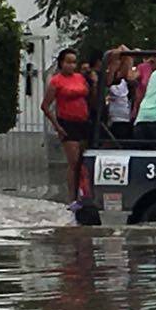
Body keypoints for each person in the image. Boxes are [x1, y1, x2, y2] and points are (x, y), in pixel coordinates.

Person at [42, 48, 93, 205]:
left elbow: (89, 94)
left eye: (74, 62)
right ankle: (72, 198)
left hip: (83, 121)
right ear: (61, 63)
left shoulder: (79, 78)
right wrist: (57, 127)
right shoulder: (56, 81)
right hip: (67, 122)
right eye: (68, 62)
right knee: (74, 162)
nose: (71, 65)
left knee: (84, 161)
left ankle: (84, 194)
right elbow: (45, 106)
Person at [105, 48, 136, 141]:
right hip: (115, 120)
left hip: (127, 118)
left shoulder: (124, 80)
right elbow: (108, 82)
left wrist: (128, 55)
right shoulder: (107, 77)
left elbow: (129, 74)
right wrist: (114, 61)